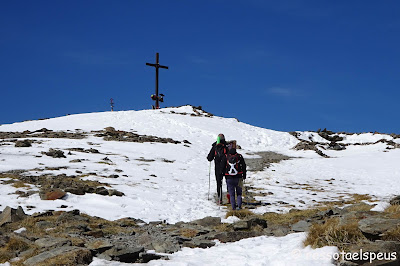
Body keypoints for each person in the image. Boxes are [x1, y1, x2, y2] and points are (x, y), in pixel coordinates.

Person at [207, 134, 229, 204]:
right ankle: (230, 199)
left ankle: (220, 199)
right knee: (228, 182)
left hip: (217, 167)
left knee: (219, 183)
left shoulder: (214, 147)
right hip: (226, 167)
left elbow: (209, 158)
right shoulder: (226, 146)